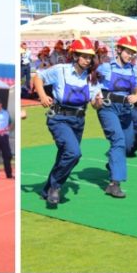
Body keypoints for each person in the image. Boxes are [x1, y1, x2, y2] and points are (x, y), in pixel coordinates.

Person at [32, 36, 99, 206]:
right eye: (84, 56)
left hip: (79, 120)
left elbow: (94, 102)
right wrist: (42, 95)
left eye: (90, 56)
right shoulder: (60, 69)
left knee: (68, 156)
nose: (87, 60)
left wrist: (98, 102)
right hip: (59, 118)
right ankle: (56, 187)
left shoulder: (91, 77)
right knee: (74, 153)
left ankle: (47, 189)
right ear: (75, 55)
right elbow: (38, 77)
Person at [96, 36, 137, 199]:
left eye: (133, 53)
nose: (131, 55)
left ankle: (113, 163)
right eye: (128, 52)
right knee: (118, 141)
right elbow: (91, 80)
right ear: (119, 50)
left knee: (128, 145)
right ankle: (114, 184)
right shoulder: (105, 67)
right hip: (108, 108)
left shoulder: (133, 70)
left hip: (125, 110)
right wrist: (95, 97)